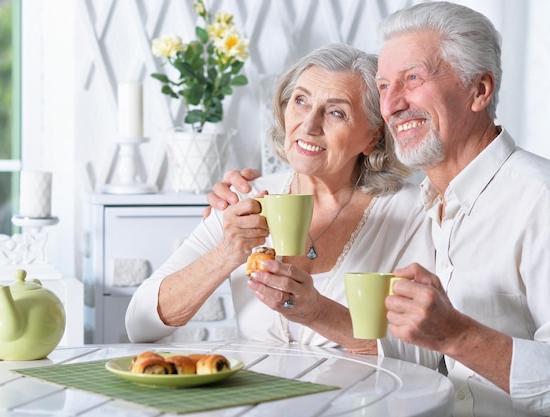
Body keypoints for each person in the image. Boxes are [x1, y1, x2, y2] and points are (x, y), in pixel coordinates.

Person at [208, 2, 550, 416]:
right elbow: (419, 353)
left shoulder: (539, 199)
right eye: (385, 86)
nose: (392, 105)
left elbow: (450, 341)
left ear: (479, 90)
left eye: (413, 78)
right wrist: (314, 309)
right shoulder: (432, 206)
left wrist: (457, 336)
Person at [125, 43, 434, 351]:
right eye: (301, 101)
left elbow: (424, 353)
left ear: (373, 136)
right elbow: (139, 324)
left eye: (336, 112)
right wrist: (227, 253)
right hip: (258, 396)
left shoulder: (413, 210)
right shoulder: (246, 197)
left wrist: (316, 312)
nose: (309, 125)